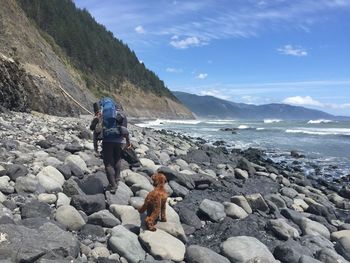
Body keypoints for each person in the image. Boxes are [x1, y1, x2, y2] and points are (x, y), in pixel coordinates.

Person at [98, 98, 131, 193]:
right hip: (119, 142)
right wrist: (128, 142)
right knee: (117, 160)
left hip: (107, 142)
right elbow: (125, 130)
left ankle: (112, 185)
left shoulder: (104, 114)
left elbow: (97, 129)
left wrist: (96, 145)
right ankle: (116, 179)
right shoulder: (123, 115)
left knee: (108, 164)